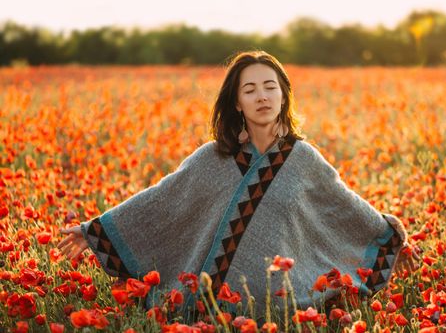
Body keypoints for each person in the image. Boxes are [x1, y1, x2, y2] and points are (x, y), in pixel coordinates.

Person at [58, 50, 420, 323]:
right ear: (237, 101)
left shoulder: (304, 159)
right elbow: (164, 200)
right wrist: (95, 230)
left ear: (283, 95)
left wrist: (390, 240)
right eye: (250, 89)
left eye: (269, 87)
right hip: (208, 308)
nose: (262, 96)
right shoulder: (213, 158)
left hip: (278, 310)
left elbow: (343, 208)